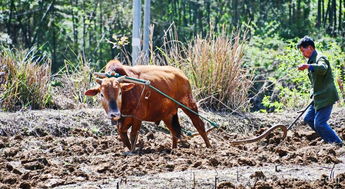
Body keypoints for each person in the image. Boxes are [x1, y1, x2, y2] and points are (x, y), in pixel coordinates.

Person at [297, 36, 343, 145]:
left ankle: (338, 143)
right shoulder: (312, 59)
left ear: (310, 48)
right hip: (318, 96)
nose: (303, 54)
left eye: (303, 51)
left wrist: (308, 66)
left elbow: (323, 68)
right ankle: (327, 137)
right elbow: (315, 82)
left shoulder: (320, 58)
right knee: (308, 118)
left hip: (326, 96)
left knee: (320, 123)